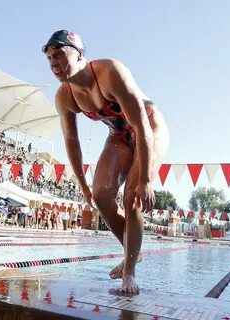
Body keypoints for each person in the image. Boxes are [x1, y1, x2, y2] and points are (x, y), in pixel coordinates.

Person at [43, 30, 169, 293]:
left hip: (150, 126)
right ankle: (132, 250)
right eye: (49, 57)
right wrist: (83, 186)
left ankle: (129, 272)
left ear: (78, 55)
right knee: (101, 197)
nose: (53, 62)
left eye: (59, 54)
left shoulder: (110, 71)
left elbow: (142, 125)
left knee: (132, 196)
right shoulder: (64, 96)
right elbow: (72, 144)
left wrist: (145, 179)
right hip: (119, 135)